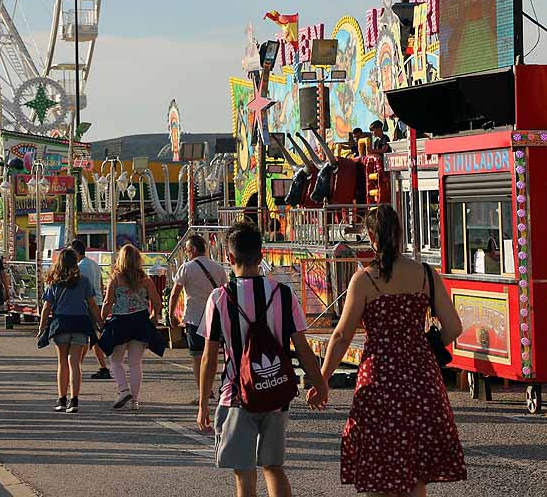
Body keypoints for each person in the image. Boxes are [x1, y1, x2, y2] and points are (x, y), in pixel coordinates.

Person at [318, 206, 467, 495]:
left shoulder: (364, 279)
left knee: (377, 465)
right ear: (399, 235)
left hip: (379, 378)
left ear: (371, 237)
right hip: (420, 377)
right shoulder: (425, 274)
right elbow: (454, 328)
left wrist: (322, 377)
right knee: (415, 470)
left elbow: (341, 335)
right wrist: (424, 345)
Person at [197, 221, 327, 497]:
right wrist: (319, 383)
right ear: (262, 255)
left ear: (229, 258)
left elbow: (209, 357)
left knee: (244, 472)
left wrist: (202, 403)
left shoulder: (219, 298)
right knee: (273, 466)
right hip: (275, 391)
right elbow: (302, 347)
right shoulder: (283, 294)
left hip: (236, 394)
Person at [99, 244, 165, 410]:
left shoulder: (115, 278)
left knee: (115, 360)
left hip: (120, 322)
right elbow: (156, 301)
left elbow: (108, 302)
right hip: (140, 321)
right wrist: (154, 316)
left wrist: (101, 320)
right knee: (135, 363)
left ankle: (123, 390)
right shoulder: (145, 279)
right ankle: (134, 401)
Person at [36, 247, 102, 414]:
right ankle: (74, 400)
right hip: (80, 323)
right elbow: (92, 305)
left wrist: (42, 326)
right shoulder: (84, 281)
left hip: (61, 324)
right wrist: (100, 322)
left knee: (62, 363)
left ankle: (61, 399)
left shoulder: (54, 282)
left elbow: (46, 308)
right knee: (75, 364)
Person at [168, 233, 227, 403]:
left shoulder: (187, 268)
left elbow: (175, 293)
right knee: (214, 355)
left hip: (194, 318)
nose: (186, 253)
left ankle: (204, 393)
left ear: (193, 249)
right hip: (216, 318)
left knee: (197, 357)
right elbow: (224, 294)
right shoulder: (219, 268)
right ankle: (217, 389)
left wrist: (171, 315)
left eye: (186, 250)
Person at [68, 239, 111, 380]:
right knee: (89, 337)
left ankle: (101, 367)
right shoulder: (94, 264)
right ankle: (78, 365)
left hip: (87, 304)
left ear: (75, 252)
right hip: (97, 302)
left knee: (88, 338)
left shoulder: (79, 267)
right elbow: (101, 284)